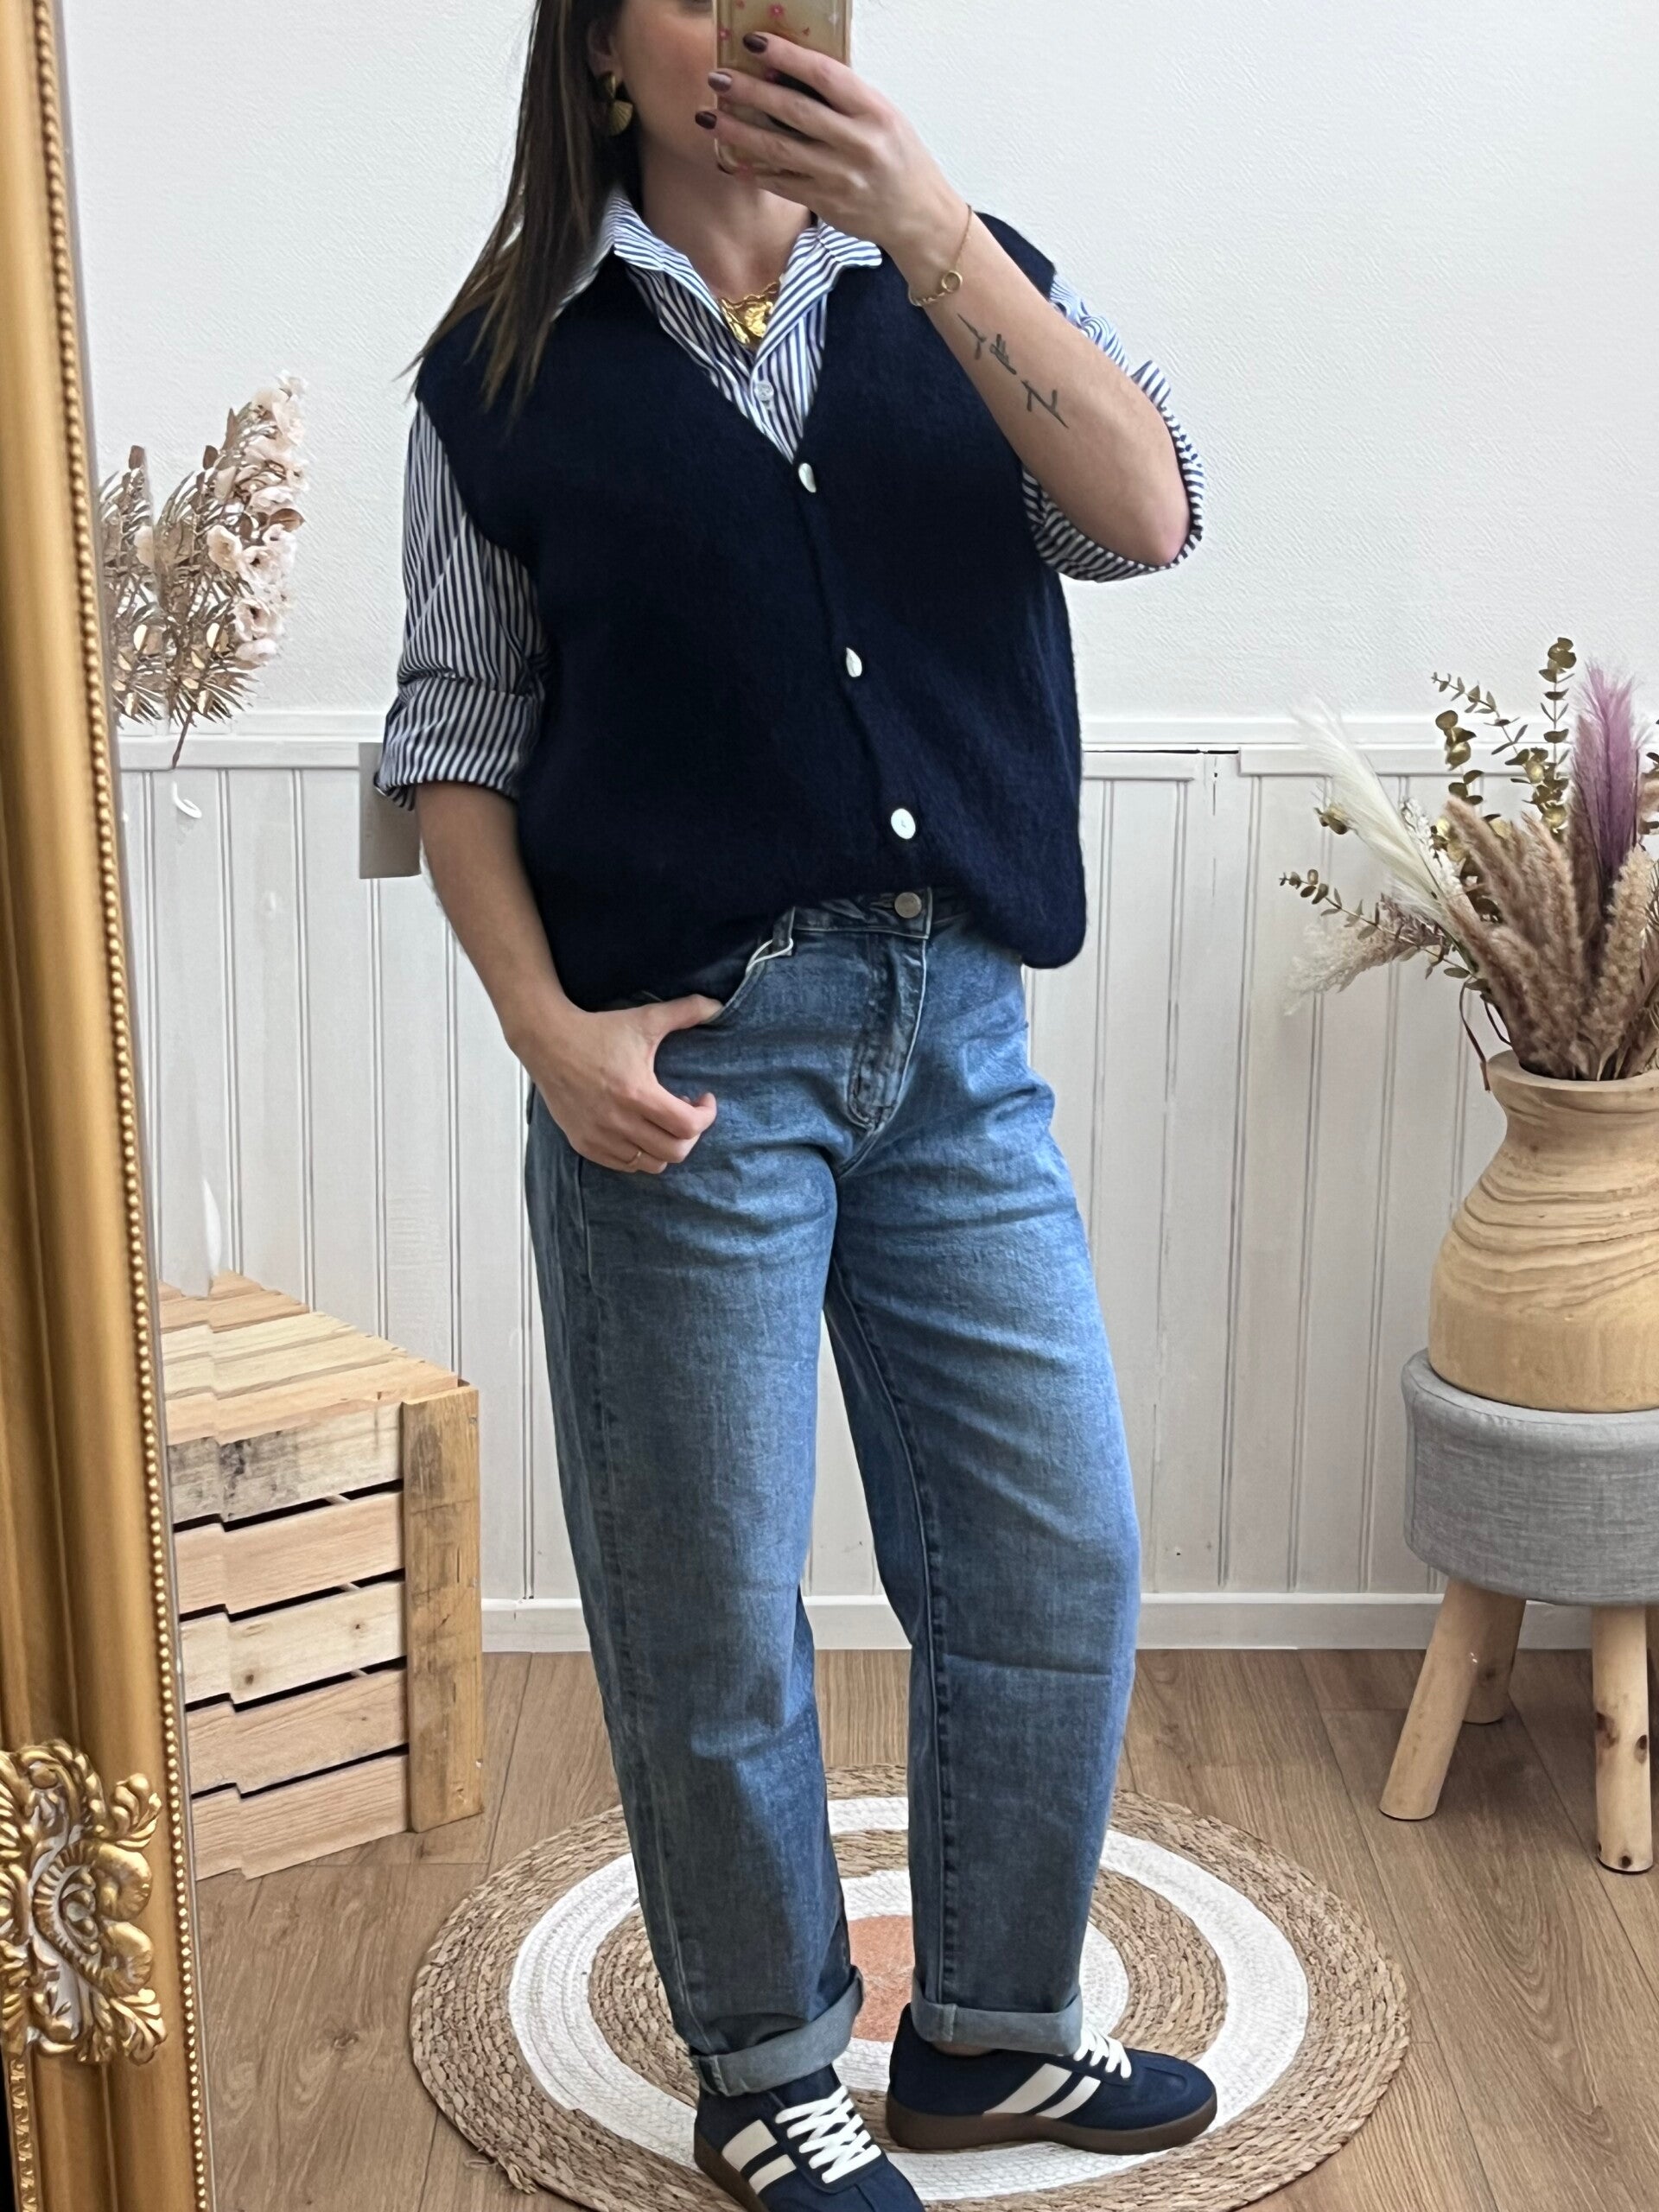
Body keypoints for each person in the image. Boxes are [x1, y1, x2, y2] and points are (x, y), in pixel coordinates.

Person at [376, 3, 1213, 2204]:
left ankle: (993, 2031)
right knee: (713, 1598)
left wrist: (926, 224)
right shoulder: (501, 368)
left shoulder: (966, 273)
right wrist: (545, 1030)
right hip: (685, 1061)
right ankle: (763, 2063)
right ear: (598, 51)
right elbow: (452, 739)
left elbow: (1148, 513)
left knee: (1053, 1545)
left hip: (960, 1042)